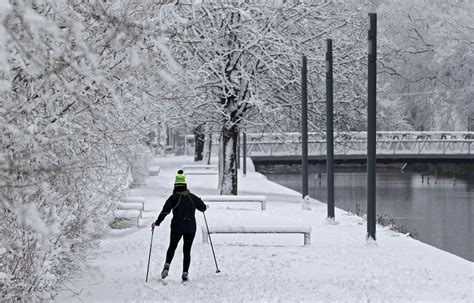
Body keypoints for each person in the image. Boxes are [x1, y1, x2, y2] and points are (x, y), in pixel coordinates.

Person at [151, 170, 207, 282]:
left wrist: (157, 222)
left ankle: (166, 266)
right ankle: (185, 273)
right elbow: (203, 208)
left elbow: (164, 211)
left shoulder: (174, 198)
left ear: (175, 186)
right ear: (185, 185)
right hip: (190, 228)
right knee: (187, 250)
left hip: (177, 227)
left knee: (172, 246)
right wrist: (200, 202)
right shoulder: (192, 197)